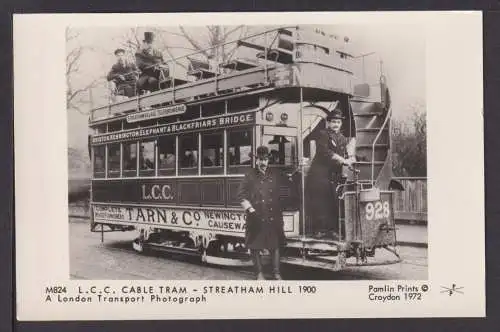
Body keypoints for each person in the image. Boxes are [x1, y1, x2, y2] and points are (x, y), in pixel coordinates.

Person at [305, 107, 355, 240]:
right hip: (318, 175)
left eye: (338, 122)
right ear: (329, 123)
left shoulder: (343, 139)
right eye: (333, 122)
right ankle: (319, 230)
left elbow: (347, 154)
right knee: (320, 202)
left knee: (334, 203)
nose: (336, 124)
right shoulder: (323, 134)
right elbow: (325, 152)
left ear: (341, 123)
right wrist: (343, 160)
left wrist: (352, 158)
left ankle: (332, 230)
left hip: (333, 176)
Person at [237, 146, 286, 280]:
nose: (263, 162)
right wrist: (250, 210)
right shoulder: (250, 175)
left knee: (274, 244)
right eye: (260, 160)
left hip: (272, 215)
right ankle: (259, 274)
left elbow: (282, 190)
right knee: (255, 245)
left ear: (268, 160)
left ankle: (277, 273)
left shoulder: (274, 174)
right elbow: (241, 195)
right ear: (256, 160)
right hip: (256, 215)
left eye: (265, 160)